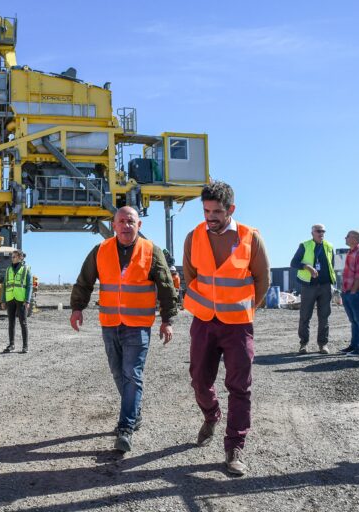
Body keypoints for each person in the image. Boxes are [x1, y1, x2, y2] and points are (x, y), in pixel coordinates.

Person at [70, 206, 176, 453]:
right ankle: (134, 412)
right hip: (110, 323)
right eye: (121, 221)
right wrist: (77, 308)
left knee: (132, 373)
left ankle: (125, 428)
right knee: (119, 373)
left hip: (138, 326)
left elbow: (166, 287)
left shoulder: (151, 251)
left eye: (131, 221)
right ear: (114, 225)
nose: (126, 225)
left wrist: (167, 320)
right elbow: (84, 281)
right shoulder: (101, 250)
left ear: (139, 226)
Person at [183, 181, 270, 476]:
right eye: (206, 210)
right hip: (204, 323)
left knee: (240, 387)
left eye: (217, 211)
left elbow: (262, 280)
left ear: (231, 209)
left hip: (237, 326)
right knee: (198, 380)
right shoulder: (193, 237)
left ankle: (235, 447)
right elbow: (190, 276)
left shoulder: (250, 238)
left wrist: (243, 309)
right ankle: (211, 415)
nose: (210, 216)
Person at [290, 223, 336, 354]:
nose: (321, 233)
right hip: (309, 286)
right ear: (312, 233)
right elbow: (293, 263)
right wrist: (307, 267)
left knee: (324, 316)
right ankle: (303, 344)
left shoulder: (329, 246)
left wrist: (332, 284)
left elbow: (331, 266)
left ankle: (323, 345)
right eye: (318, 231)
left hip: (326, 286)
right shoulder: (304, 245)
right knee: (305, 316)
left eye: (323, 231)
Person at [340, 230, 359, 356]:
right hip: (348, 292)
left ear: (354, 238)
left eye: (347, 236)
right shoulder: (351, 252)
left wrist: (353, 291)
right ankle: (354, 345)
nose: (345, 238)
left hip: (356, 292)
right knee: (354, 320)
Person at [2, 250, 32, 354]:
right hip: (10, 298)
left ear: (20, 258)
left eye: (14, 257)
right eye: (12, 257)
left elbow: (29, 286)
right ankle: (11, 345)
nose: (12, 258)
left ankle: (25, 346)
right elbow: (5, 285)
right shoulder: (8, 269)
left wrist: (27, 300)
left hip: (21, 299)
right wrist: (3, 300)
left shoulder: (26, 269)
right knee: (11, 323)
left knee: (23, 323)